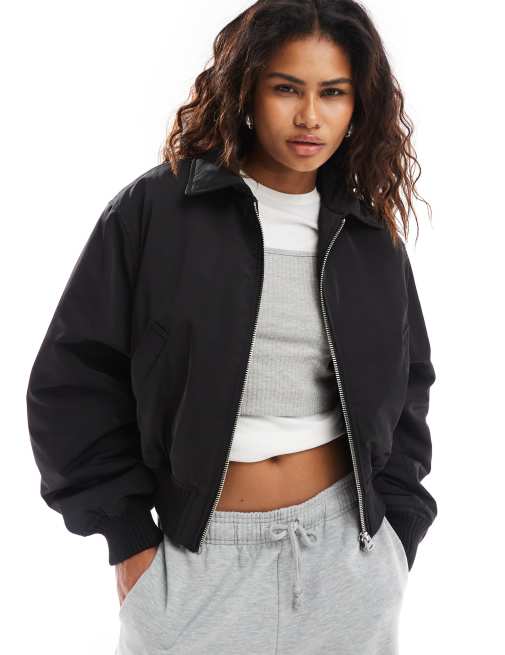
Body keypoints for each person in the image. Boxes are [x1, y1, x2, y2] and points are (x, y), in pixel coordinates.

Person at [26, 1, 437, 653]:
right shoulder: (158, 211)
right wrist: (127, 537)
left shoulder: (367, 235)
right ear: (246, 89)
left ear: (359, 103)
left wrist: (397, 534)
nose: (310, 116)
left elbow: (408, 384)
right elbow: (73, 380)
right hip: (196, 561)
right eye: (286, 89)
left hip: (345, 560)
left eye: (333, 92)